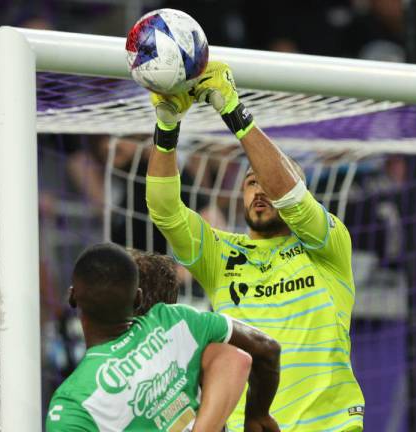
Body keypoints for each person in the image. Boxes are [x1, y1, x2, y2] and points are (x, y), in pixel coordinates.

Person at [146, 61, 365, 431]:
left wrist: (233, 110)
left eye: (268, 179)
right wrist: (167, 124)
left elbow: (291, 197)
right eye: (251, 182)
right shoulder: (219, 254)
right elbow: (164, 210)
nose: (260, 190)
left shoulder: (327, 244)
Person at [46, 243, 281, 431]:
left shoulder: (71, 404)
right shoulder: (175, 323)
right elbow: (248, 355)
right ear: (136, 299)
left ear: (72, 297)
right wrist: (257, 415)